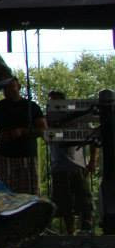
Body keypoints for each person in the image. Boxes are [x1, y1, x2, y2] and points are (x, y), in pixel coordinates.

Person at [0, 78, 47, 195]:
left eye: (11, 86)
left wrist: (23, 131)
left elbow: (43, 130)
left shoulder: (31, 106)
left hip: (27, 156)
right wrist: (1, 135)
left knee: (29, 194)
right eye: (5, 88)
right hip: (5, 156)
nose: (8, 90)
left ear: (19, 87)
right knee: (7, 193)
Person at [47, 90, 96, 234]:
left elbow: (93, 138)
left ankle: (86, 229)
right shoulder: (48, 120)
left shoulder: (78, 119)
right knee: (64, 203)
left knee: (84, 199)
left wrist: (92, 160)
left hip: (77, 165)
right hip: (58, 166)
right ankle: (71, 232)